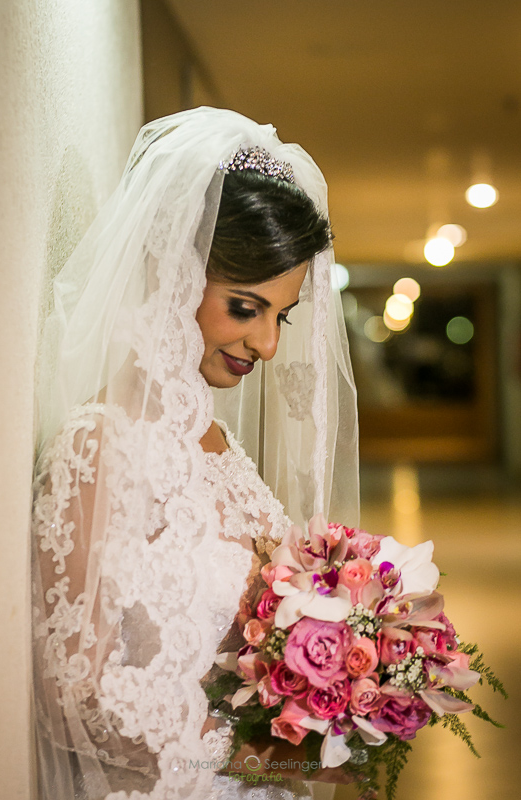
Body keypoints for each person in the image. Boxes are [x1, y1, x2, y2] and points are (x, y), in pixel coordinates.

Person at [31, 107, 359, 800]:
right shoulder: (102, 444)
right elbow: (74, 699)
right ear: (172, 273)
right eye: (245, 308)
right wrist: (255, 752)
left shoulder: (218, 442)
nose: (267, 345)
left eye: (281, 314)